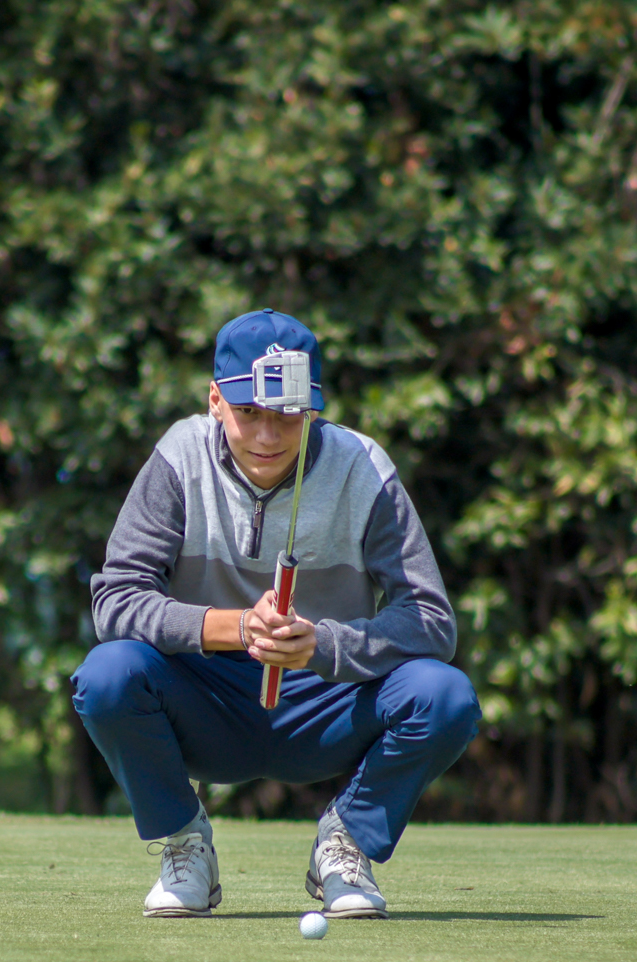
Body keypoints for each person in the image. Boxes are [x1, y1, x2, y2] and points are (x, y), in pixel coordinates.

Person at [71, 309, 480, 918]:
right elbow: (116, 600)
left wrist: (322, 644)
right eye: (248, 412)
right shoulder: (178, 458)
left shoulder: (362, 466)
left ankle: (346, 842)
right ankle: (185, 841)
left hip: (328, 701)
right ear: (215, 400)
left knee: (444, 696)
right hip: (207, 703)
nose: (267, 435)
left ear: (312, 409)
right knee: (106, 676)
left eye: (287, 414)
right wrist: (234, 627)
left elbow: (431, 619)